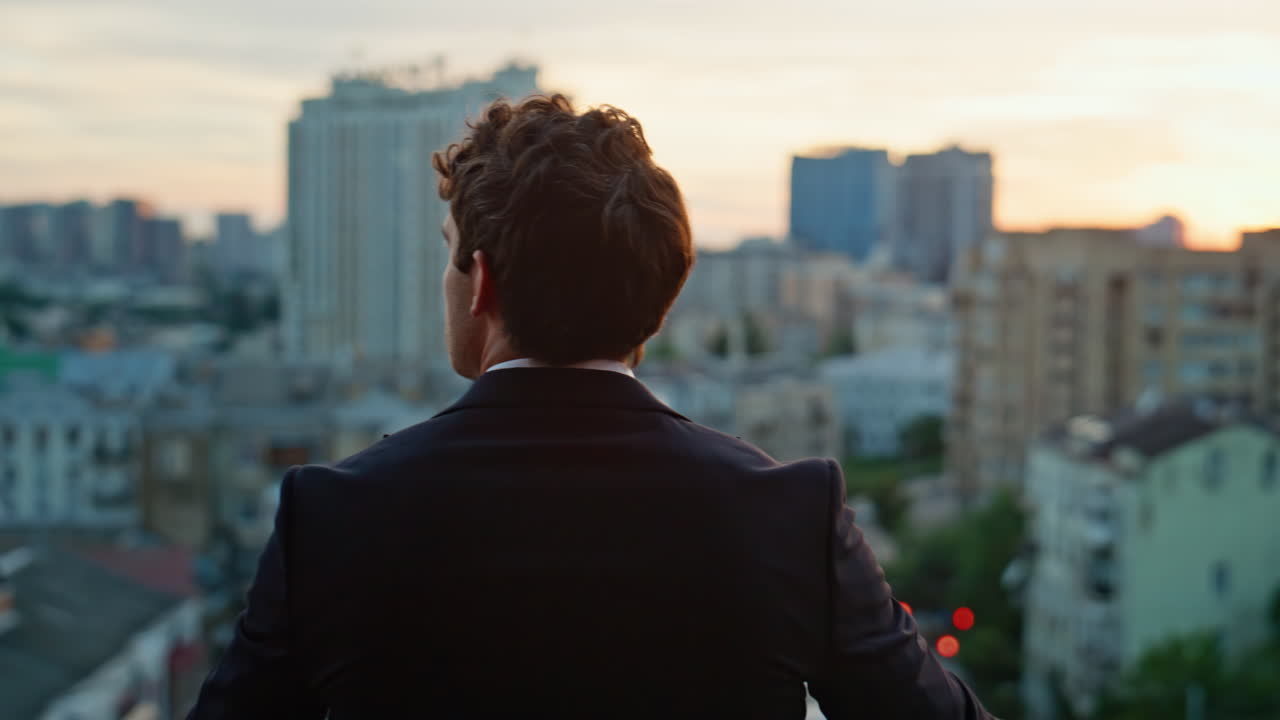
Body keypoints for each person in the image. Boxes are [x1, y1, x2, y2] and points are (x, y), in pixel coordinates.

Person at [187, 94, 991, 719]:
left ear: (484, 285)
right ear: (660, 300)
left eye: (450, 259)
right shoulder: (787, 512)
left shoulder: (333, 515)